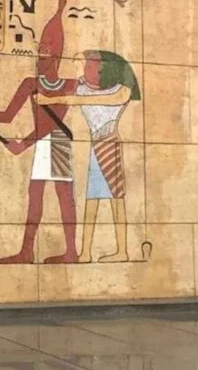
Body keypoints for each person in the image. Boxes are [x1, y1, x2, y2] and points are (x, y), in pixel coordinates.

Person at [0, 0, 80, 264]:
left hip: (57, 141)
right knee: (35, 195)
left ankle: (71, 252)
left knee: (64, 196)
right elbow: (8, 116)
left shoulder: (68, 85)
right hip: (41, 142)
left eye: (45, 51)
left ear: (56, 56)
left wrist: (23, 144)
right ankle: (27, 251)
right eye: (39, 50)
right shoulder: (31, 83)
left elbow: (51, 124)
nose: (40, 56)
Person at [35, 49, 140, 262]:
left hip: (109, 144)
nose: (78, 68)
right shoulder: (83, 88)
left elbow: (79, 100)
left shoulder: (119, 91)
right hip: (95, 147)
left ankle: (122, 251)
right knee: (92, 199)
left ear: (97, 68)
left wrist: (47, 99)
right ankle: (85, 252)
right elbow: (72, 95)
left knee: (116, 199)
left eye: (82, 64)